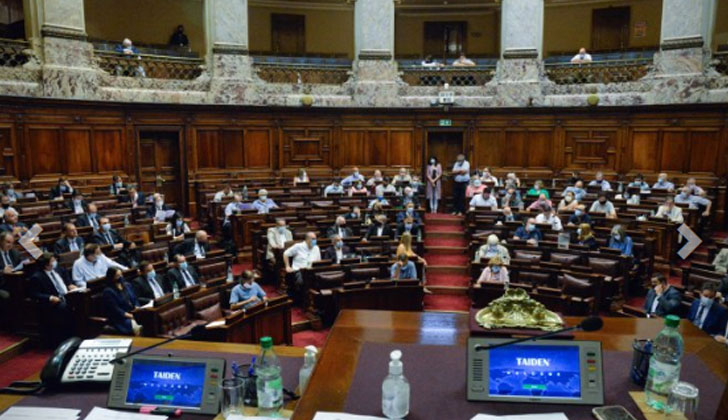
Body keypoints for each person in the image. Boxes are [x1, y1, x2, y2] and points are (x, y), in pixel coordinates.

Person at [29, 253, 76, 345]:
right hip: (52, 303)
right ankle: (66, 338)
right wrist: (49, 297)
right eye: (52, 261)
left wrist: (70, 284)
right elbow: (34, 294)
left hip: (67, 295)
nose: (55, 262)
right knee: (64, 308)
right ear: (46, 265)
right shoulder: (37, 277)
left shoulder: (58, 270)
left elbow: (67, 279)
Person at [101, 267, 140, 335]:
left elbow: (135, 298)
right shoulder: (108, 291)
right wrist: (130, 316)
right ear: (112, 277)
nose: (120, 277)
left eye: (121, 275)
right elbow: (115, 309)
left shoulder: (127, 285)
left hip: (134, 312)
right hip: (121, 318)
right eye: (117, 276)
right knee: (140, 326)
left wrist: (137, 307)